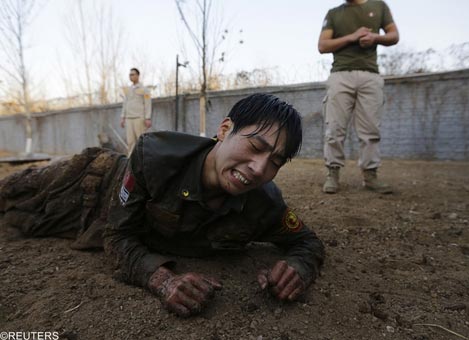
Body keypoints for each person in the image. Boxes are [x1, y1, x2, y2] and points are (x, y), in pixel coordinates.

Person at [0, 93, 325, 318]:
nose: (259, 168)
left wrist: (299, 268)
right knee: (11, 192)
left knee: (21, 222)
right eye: (255, 147)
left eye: (275, 161)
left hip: (85, 229)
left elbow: (306, 242)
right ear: (224, 130)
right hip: (91, 181)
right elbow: (117, 235)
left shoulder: (264, 202)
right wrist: (163, 280)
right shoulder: (154, 156)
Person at [318, 0, 399, 194]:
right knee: (335, 127)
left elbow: (394, 35)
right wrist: (352, 37)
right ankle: (332, 174)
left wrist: (374, 38)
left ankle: (370, 176)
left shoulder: (379, 6)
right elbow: (323, 45)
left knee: (370, 129)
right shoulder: (334, 13)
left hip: (370, 75)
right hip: (340, 75)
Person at [120, 68, 152, 156]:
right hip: (129, 118)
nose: (131, 76)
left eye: (133, 74)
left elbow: (148, 103)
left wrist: (147, 118)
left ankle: (143, 159)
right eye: (130, 75)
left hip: (139, 118)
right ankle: (130, 162)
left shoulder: (145, 90)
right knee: (130, 142)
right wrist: (123, 117)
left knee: (141, 140)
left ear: (138, 75)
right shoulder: (127, 90)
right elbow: (125, 103)